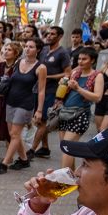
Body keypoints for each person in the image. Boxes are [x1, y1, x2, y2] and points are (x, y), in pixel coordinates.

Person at [0, 38, 47, 175]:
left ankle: (4, 163)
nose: (27, 49)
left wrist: (39, 110)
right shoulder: (19, 62)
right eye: (26, 46)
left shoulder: (40, 67)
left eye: (31, 46)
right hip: (10, 101)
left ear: (38, 50)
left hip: (25, 103)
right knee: (14, 135)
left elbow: (41, 90)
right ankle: (24, 160)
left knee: (15, 134)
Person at [54, 46, 104, 169]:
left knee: (67, 148)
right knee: (66, 148)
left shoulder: (97, 76)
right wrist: (63, 85)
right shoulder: (75, 73)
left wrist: (78, 88)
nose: (80, 61)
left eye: (84, 59)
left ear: (92, 60)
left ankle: (62, 180)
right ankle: (73, 177)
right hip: (65, 112)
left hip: (80, 114)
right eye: (79, 59)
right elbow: (65, 92)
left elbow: (97, 97)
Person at [28, 26, 72, 159]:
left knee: (41, 121)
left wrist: (48, 77)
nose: (49, 36)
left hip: (51, 91)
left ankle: (31, 150)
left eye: (53, 34)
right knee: (40, 121)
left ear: (59, 37)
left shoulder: (62, 53)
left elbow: (68, 73)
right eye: (48, 33)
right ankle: (45, 147)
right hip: (37, 89)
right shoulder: (44, 49)